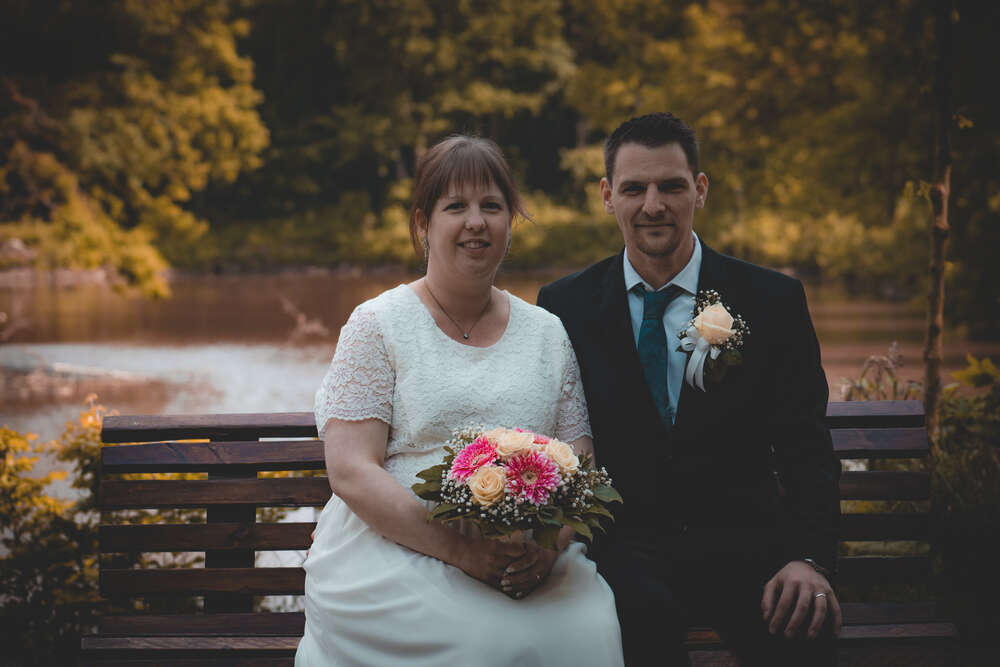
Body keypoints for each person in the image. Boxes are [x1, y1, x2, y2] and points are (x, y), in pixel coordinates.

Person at [296, 135, 624, 666]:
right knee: (488, 645)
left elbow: (581, 468)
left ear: (510, 222)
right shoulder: (378, 325)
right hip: (395, 551)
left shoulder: (547, 333)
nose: (477, 222)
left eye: (492, 206)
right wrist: (461, 551)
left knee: (591, 629)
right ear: (424, 223)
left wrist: (547, 549)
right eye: (457, 207)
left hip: (525, 552)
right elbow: (352, 470)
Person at [537, 112, 842, 666]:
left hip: (748, 551)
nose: (653, 205)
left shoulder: (771, 300)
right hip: (623, 557)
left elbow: (806, 447)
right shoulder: (565, 307)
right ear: (608, 195)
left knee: (805, 632)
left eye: (671, 186)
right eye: (634, 188)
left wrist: (808, 558)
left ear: (699, 189)